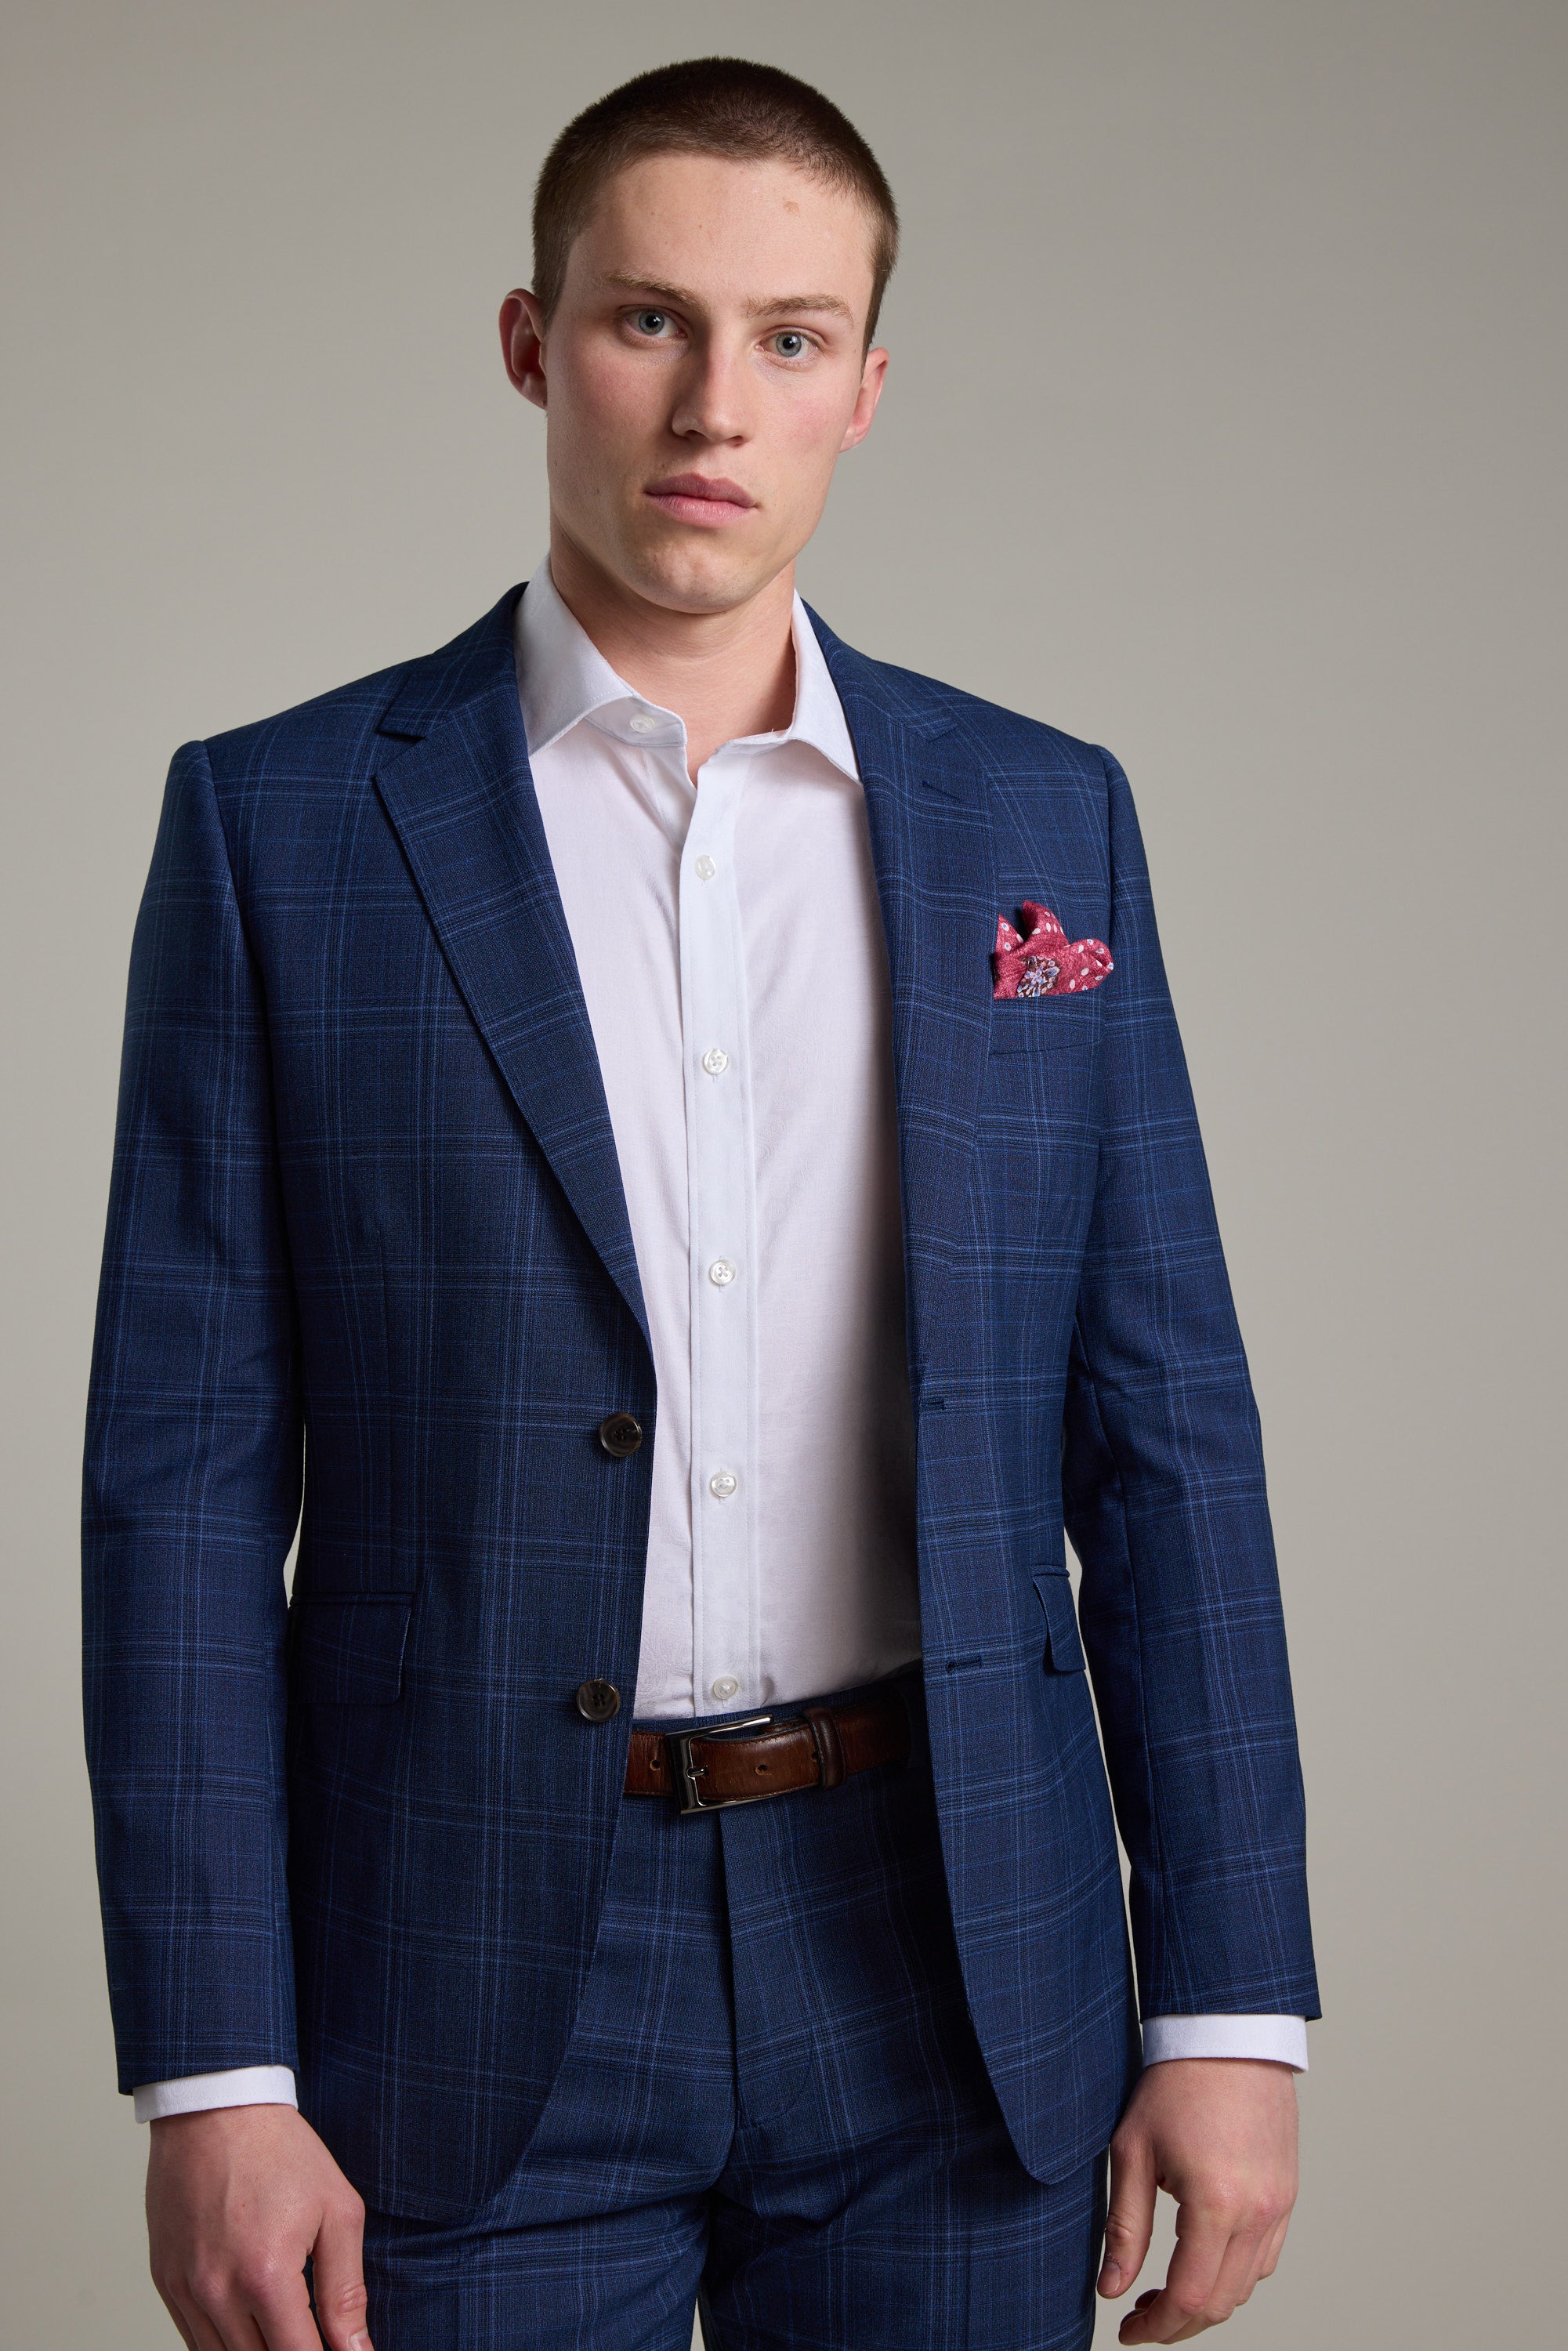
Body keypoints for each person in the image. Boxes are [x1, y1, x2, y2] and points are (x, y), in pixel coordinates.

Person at [82, 54, 1318, 2351]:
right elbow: (174, 1483)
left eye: (782, 336)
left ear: (866, 385)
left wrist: (1229, 2003)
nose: (707, 405)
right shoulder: (278, 835)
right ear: (533, 345)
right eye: (647, 322)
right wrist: (214, 2071)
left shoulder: (1046, 820)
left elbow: (1165, 1430)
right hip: (455, 1974)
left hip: (960, 1950)